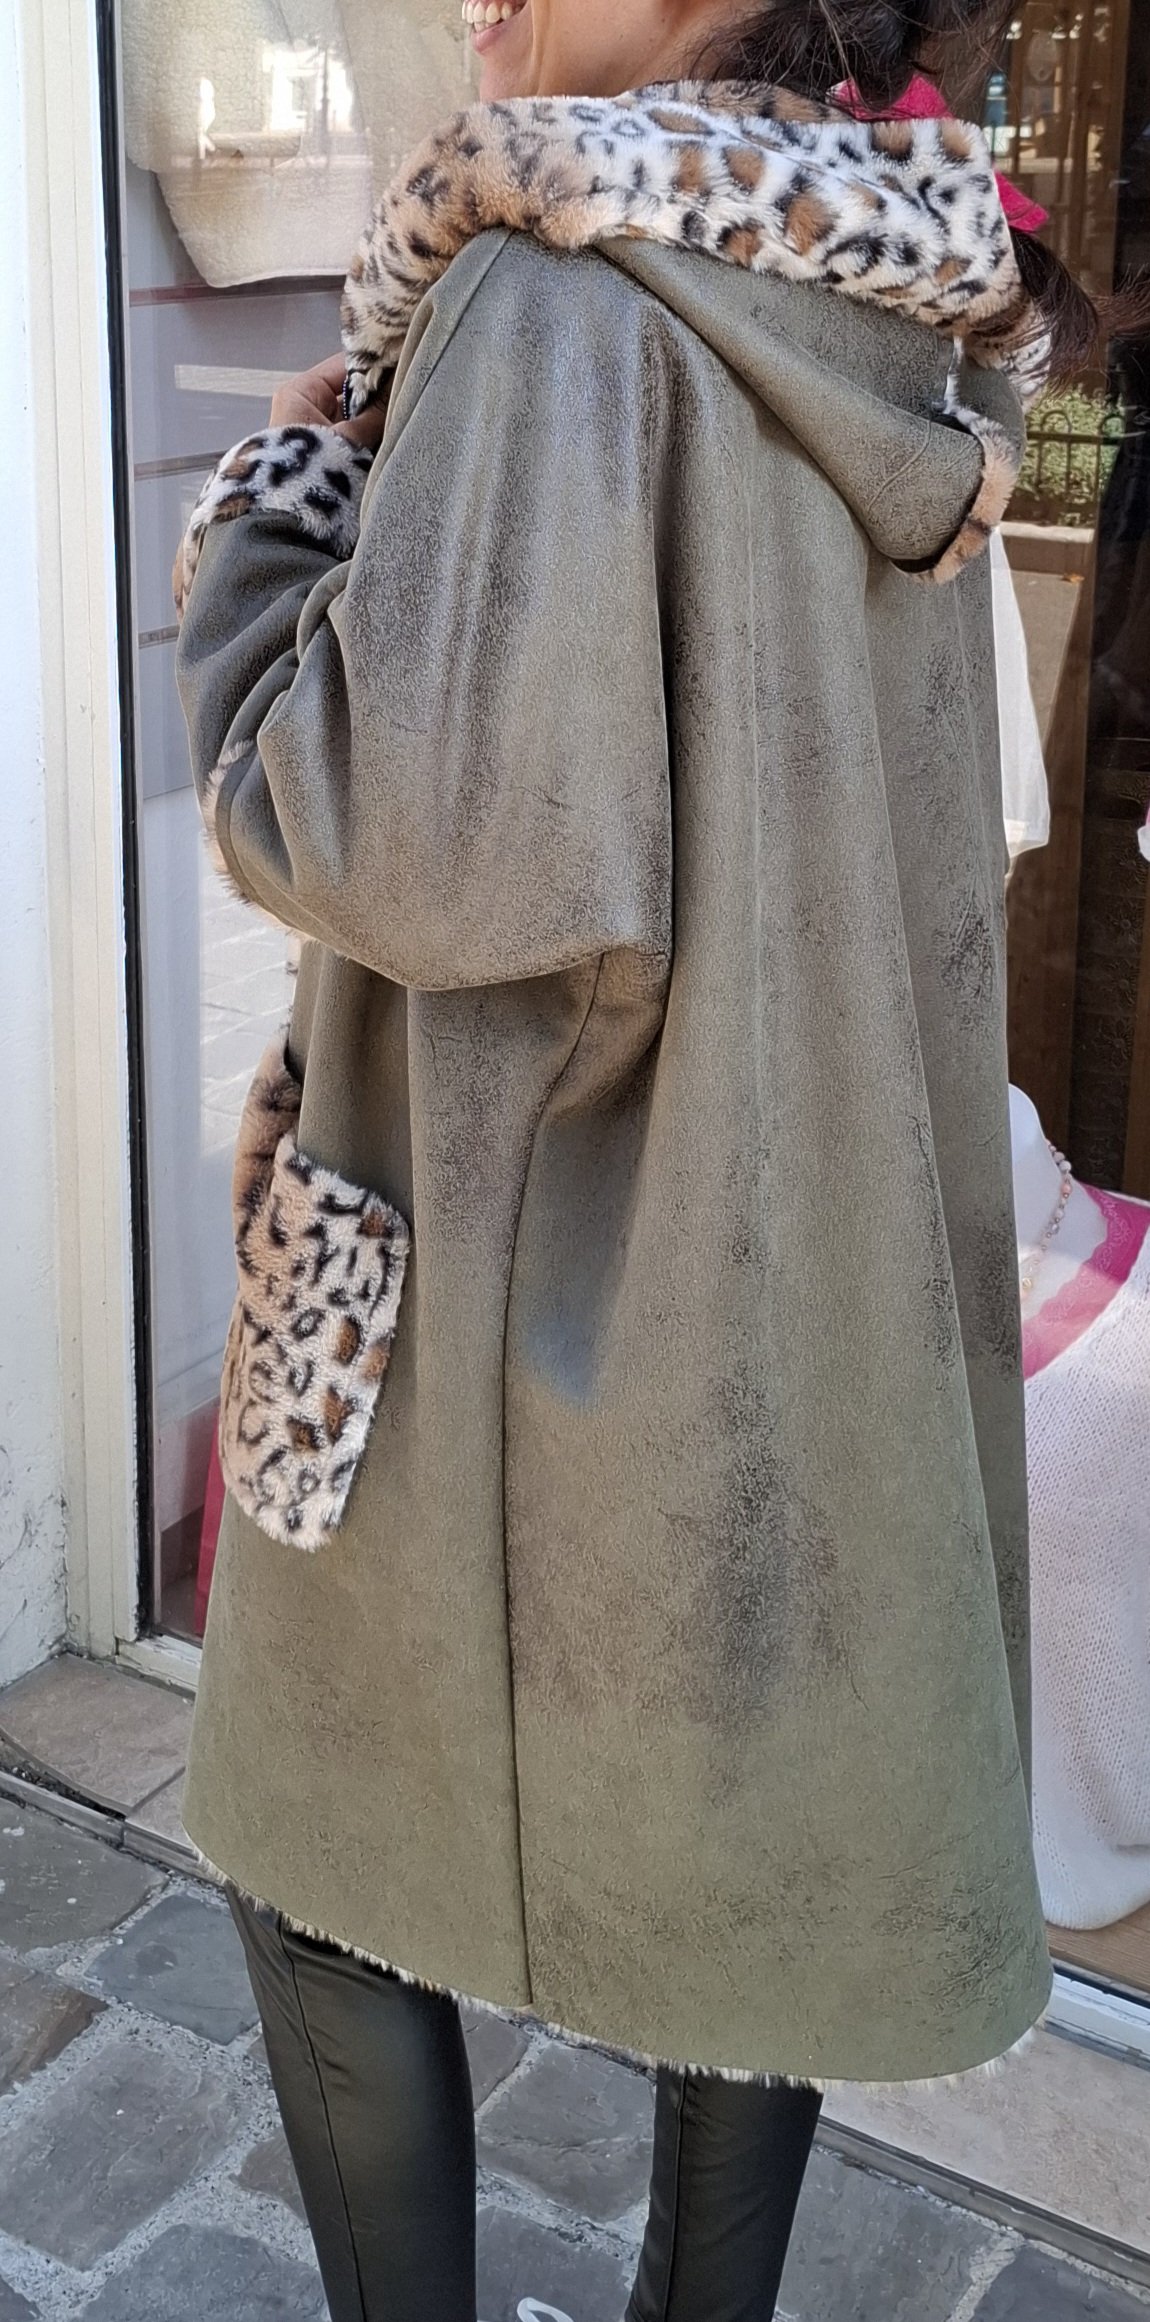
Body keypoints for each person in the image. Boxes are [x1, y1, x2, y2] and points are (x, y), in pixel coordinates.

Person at [171, 0, 1120, 2312]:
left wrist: (274, 524)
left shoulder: (553, 291)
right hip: (799, 1261)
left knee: (309, 1844)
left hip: (507, 1286)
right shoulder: (886, 319)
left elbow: (400, 839)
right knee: (755, 1863)